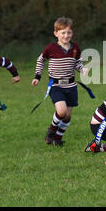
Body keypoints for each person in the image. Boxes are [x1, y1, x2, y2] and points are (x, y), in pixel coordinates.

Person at [32, 17, 87, 146]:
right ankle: (51, 130)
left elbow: (77, 63)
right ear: (56, 33)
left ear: (72, 33)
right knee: (61, 112)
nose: (66, 35)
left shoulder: (75, 48)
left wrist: (82, 69)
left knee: (67, 116)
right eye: (63, 33)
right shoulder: (51, 48)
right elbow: (41, 60)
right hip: (56, 85)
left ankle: (57, 138)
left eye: (69, 32)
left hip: (71, 86)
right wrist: (37, 76)